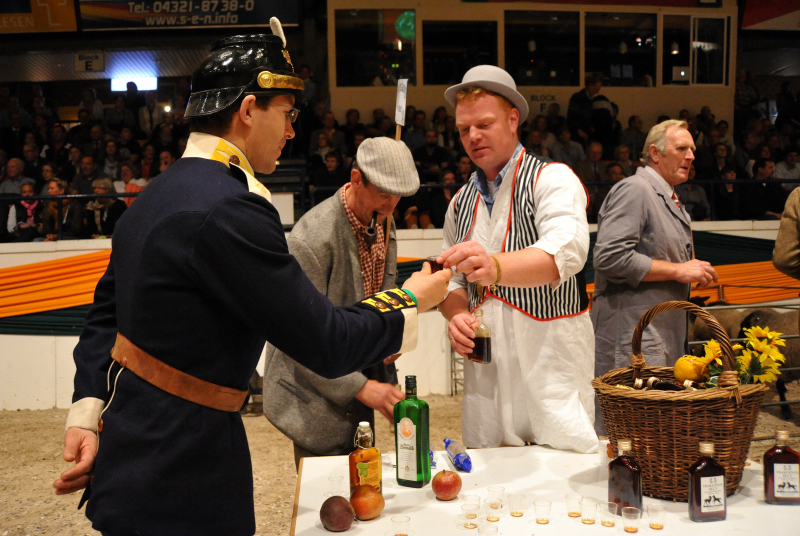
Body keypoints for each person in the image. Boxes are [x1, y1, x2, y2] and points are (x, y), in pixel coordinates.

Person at [53, 28, 450, 536]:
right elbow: (324, 341)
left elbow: (107, 316)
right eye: (286, 114)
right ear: (247, 110)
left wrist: (87, 414)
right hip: (183, 469)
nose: (290, 132)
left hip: (135, 446)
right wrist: (411, 302)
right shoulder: (230, 209)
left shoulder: (157, 194)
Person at [436, 65, 597, 453]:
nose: (472, 136)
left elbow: (568, 250)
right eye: (463, 129)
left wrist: (496, 267)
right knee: (491, 486)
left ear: (512, 120)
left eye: (484, 124)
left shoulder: (552, 179)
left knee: (561, 483)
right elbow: (451, 283)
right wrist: (456, 315)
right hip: (487, 380)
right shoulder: (460, 202)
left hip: (550, 366)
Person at [263, 137, 419, 468]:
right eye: (383, 194)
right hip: (312, 398)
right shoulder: (312, 239)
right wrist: (362, 388)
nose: (391, 207)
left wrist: (390, 335)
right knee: (329, 501)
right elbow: (300, 338)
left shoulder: (383, 220)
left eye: (398, 196)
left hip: (358, 379)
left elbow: (383, 294)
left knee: (363, 486)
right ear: (356, 179)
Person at [592, 120, 718, 434]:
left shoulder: (668, 197)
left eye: (692, 150)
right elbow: (608, 257)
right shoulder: (635, 190)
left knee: (653, 439)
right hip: (635, 340)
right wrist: (679, 270)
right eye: (681, 149)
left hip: (659, 338)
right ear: (655, 153)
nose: (690, 156)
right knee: (627, 437)